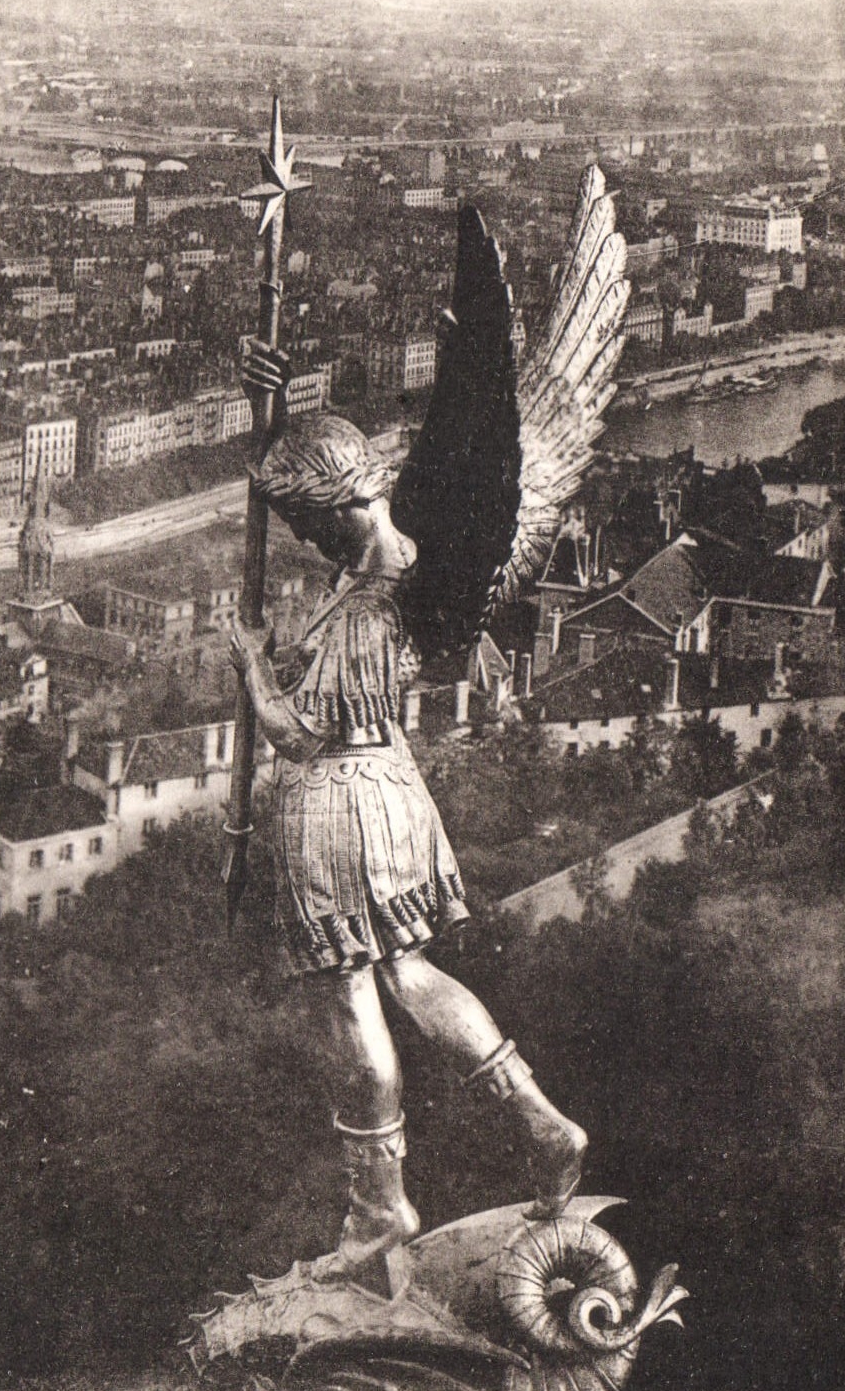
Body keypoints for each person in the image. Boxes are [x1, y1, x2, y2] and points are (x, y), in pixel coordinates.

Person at [228, 343, 586, 1289]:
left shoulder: (361, 607)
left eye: (307, 526)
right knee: (409, 970)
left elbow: (297, 736)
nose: (305, 545)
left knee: (353, 997)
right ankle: (540, 1121)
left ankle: (379, 1212)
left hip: (335, 802)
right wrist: (269, 417)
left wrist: (251, 661)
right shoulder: (410, 559)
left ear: (341, 506)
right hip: (393, 792)